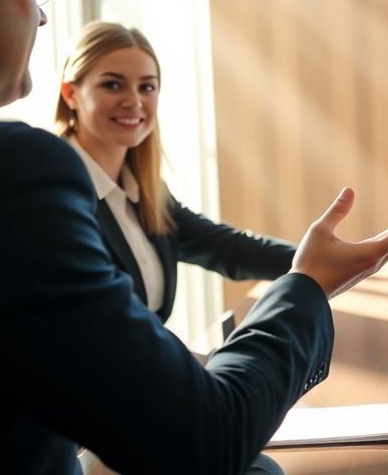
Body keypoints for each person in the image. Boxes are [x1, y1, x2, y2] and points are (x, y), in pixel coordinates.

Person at [0, 0, 388, 474]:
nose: (42, 15)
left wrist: (328, 263)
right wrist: (308, 284)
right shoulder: (17, 172)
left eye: (148, 86)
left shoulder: (137, 192)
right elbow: (202, 437)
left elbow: (227, 247)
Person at [56, 21, 295, 323]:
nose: (134, 101)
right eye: (112, 84)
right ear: (70, 94)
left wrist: (316, 259)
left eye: (147, 87)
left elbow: (229, 250)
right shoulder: (56, 192)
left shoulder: (145, 191)